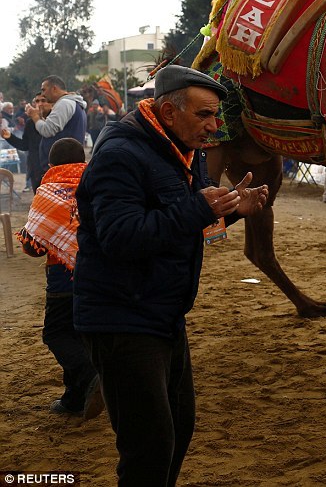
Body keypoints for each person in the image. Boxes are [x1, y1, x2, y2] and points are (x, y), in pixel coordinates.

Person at [72, 65, 270, 486]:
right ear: (167, 112)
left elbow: (183, 222)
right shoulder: (120, 156)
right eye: (204, 115)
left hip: (163, 314)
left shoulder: (183, 151)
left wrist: (231, 211)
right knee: (149, 445)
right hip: (121, 318)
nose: (214, 127)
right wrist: (200, 207)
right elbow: (120, 237)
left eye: (216, 116)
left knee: (178, 428)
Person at [17, 137, 104, 419]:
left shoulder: (47, 191)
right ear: (84, 161)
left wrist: (33, 234)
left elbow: (33, 247)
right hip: (101, 276)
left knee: (56, 334)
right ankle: (74, 399)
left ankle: (91, 375)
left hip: (63, 280)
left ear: (51, 164)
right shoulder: (99, 183)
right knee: (81, 335)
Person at [26, 76, 87, 178]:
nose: (43, 94)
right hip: (65, 165)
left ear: (54, 88)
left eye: (44, 89)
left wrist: (35, 117)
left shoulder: (64, 103)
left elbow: (47, 130)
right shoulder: (71, 103)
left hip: (62, 167)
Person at [2, 95, 48, 193]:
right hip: (35, 169)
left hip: (51, 168)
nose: (40, 104)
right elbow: (24, 145)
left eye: (43, 100)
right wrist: (10, 137)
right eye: (37, 101)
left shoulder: (54, 121)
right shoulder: (30, 123)